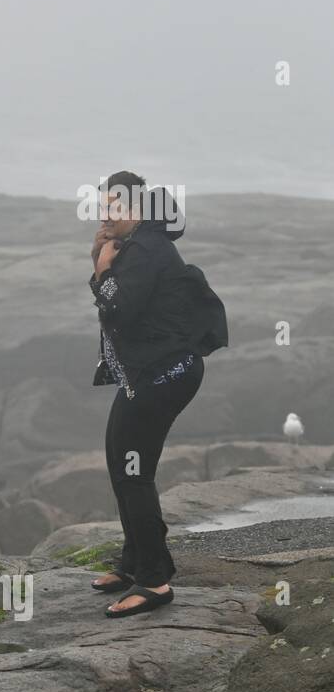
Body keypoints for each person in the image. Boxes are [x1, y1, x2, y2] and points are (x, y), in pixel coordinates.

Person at [87, 172, 227, 617]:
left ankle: (154, 580)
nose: (106, 214)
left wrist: (102, 269)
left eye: (117, 207)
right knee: (120, 461)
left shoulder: (147, 249)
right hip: (148, 374)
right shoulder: (138, 246)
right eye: (104, 205)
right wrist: (103, 263)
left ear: (141, 213)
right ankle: (133, 563)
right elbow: (118, 304)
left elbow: (120, 310)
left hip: (163, 374)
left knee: (134, 471)